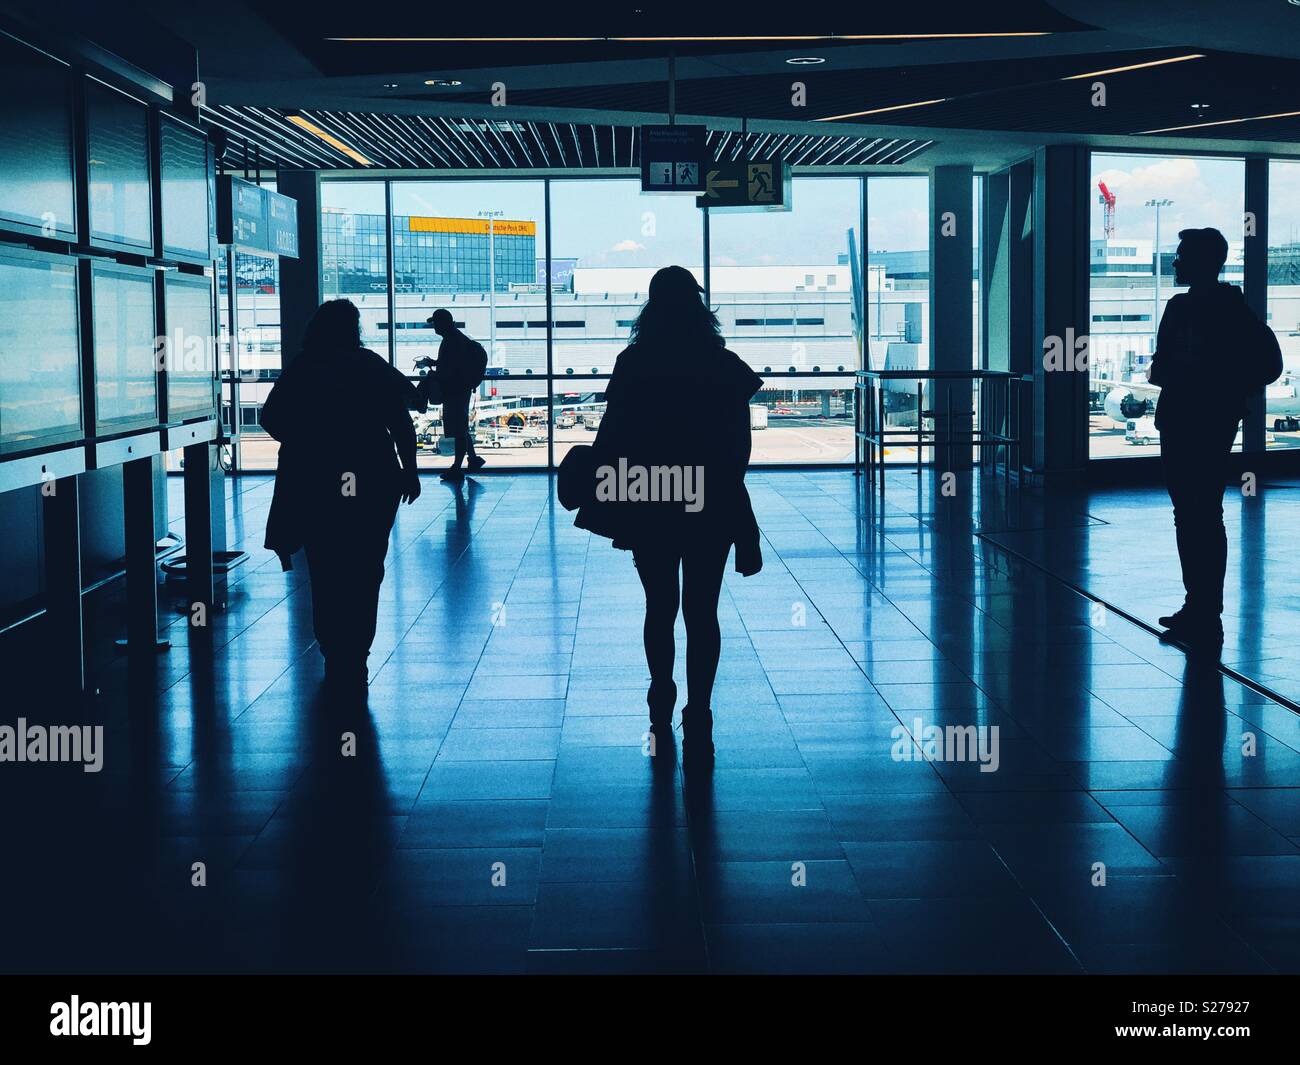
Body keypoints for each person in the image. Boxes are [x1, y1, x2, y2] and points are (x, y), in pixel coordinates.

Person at [575, 265, 763, 762]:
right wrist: (744, 527)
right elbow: (735, 454)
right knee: (703, 613)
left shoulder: (635, 362)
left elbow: (613, 437)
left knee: (659, 607)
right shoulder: (723, 365)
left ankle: (661, 701)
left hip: (651, 500)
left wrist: (601, 489)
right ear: (700, 308)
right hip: (709, 505)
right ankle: (699, 712)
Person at [261, 299, 423, 693]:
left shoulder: (304, 366)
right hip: (374, 477)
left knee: (327, 570)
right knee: (366, 570)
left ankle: (334, 653)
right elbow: (402, 420)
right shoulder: (368, 364)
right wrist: (410, 470)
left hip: (317, 480)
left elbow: (270, 417)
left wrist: (307, 440)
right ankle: (357, 656)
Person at [1149, 227, 1282, 648]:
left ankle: (1202, 608)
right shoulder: (1234, 310)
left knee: (1193, 513)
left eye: (1182, 255)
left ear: (1203, 262)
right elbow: (1266, 365)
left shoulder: (1185, 308)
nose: (1175, 262)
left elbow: (1161, 366)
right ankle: (1203, 607)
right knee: (1200, 512)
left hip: (1186, 418)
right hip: (1211, 419)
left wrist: (1191, 380)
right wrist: (1227, 389)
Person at [417, 308, 488, 480]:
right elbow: (450, 365)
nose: (434, 326)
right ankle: (473, 459)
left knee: (458, 429)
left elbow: (450, 370)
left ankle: (457, 468)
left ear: (442, 323)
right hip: (459, 389)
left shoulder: (452, 341)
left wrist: (433, 374)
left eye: (435, 323)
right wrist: (433, 363)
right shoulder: (456, 339)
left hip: (455, 390)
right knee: (461, 427)